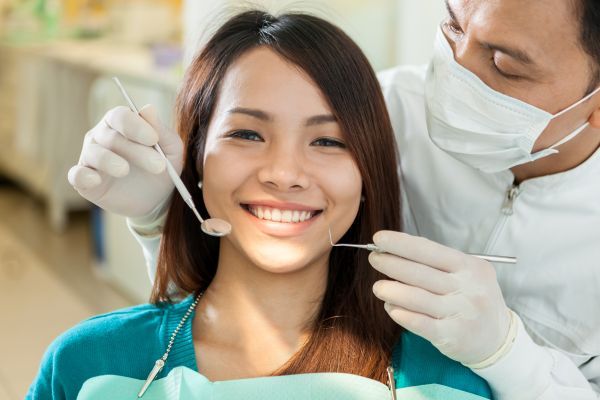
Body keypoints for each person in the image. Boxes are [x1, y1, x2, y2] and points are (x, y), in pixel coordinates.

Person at [67, 1, 600, 399]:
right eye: (454, 27)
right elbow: (227, 277)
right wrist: (162, 217)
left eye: (504, 64)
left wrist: (508, 356)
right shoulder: (385, 109)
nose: (457, 71)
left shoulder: (441, 385)